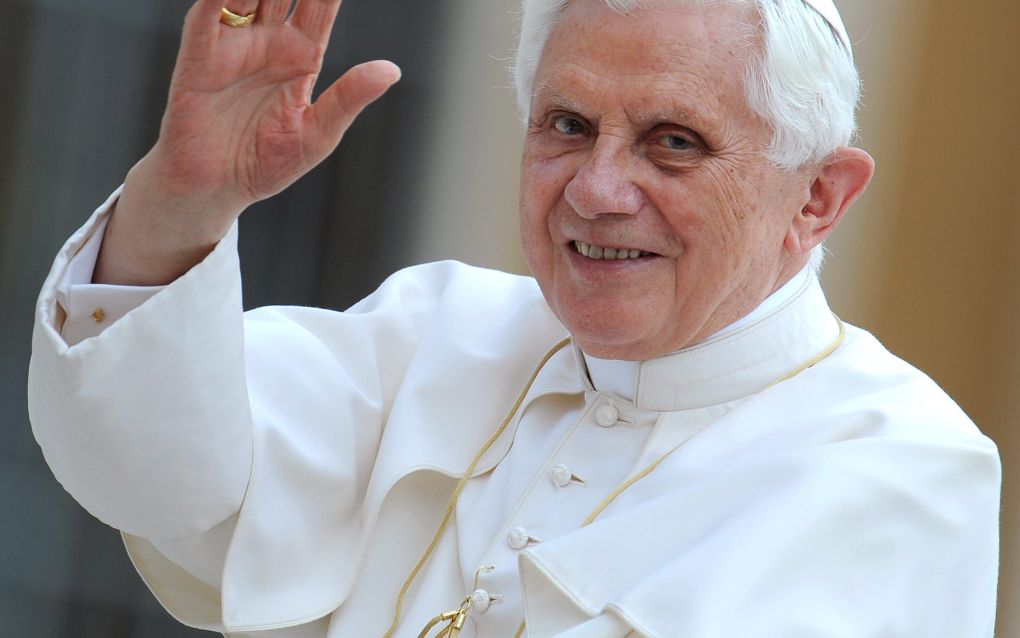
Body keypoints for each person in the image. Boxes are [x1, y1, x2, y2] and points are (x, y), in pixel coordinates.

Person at [28, 0, 1001, 636]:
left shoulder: (904, 468)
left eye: (673, 143)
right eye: (568, 125)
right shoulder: (441, 330)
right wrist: (183, 202)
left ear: (818, 198)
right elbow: (156, 474)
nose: (599, 188)